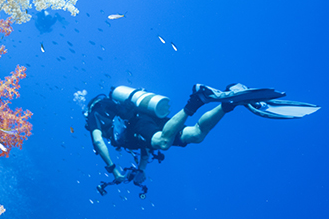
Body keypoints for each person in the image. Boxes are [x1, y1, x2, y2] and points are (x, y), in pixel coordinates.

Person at [85, 82, 319, 196]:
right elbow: (144, 146)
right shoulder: (114, 110)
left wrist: (113, 169)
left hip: (139, 124)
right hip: (146, 123)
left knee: (162, 142)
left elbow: (98, 142)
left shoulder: (96, 116)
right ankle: (227, 104)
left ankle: (195, 100)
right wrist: (142, 168)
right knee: (195, 135)